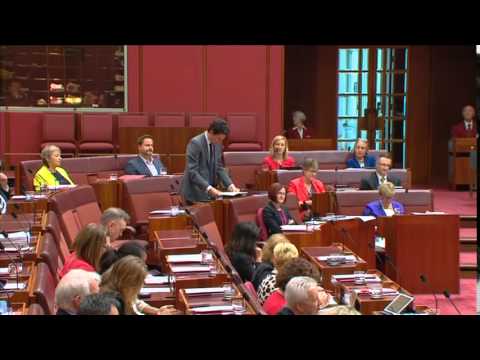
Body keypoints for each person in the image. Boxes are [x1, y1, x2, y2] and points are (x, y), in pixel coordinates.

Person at [180, 118, 240, 204]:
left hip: (209, 195)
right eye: (219, 138)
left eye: (222, 140)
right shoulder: (195, 143)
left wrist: (230, 185)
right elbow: (192, 172)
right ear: (211, 132)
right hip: (194, 193)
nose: (220, 142)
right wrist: (209, 188)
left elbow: (219, 167)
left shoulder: (217, 144)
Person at [100, 255, 178, 315]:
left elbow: (135, 302)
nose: (142, 285)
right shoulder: (112, 304)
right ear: (130, 283)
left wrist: (156, 311)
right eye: (141, 282)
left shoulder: (120, 287)